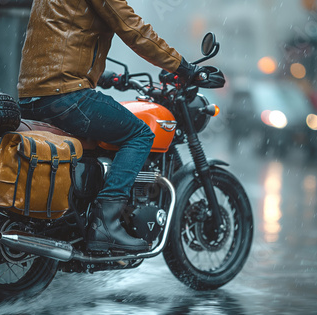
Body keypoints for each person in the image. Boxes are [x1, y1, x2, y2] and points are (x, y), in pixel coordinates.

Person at [17, 0, 199, 253]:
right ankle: (105, 225)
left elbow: (60, 37)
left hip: (33, 94)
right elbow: (132, 29)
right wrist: (185, 68)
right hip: (66, 94)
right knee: (139, 133)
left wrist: (100, 75)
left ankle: (76, 218)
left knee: (92, 146)